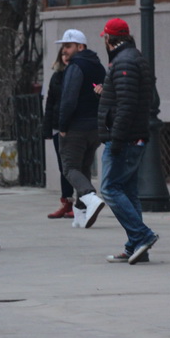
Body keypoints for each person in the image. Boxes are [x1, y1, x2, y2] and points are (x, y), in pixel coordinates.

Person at [98, 18, 158, 264]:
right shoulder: (134, 58)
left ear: (108, 39)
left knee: (109, 188)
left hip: (125, 138)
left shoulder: (124, 62)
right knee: (129, 191)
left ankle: (142, 236)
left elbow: (126, 105)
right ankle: (136, 246)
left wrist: (117, 139)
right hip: (135, 135)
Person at [55, 29, 106, 228]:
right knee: (83, 167)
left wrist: (63, 126)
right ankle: (81, 213)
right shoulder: (99, 66)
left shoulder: (76, 67)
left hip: (77, 127)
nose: (64, 51)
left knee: (69, 167)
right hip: (96, 128)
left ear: (80, 46)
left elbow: (68, 99)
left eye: (68, 46)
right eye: (63, 47)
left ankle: (90, 197)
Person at [42, 45, 74, 219]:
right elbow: (50, 103)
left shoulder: (77, 74)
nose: (65, 57)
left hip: (73, 127)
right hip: (57, 127)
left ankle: (82, 204)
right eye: (62, 53)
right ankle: (66, 203)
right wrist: (47, 129)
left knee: (73, 167)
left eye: (67, 53)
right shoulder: (57, 76)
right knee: (63, 167)